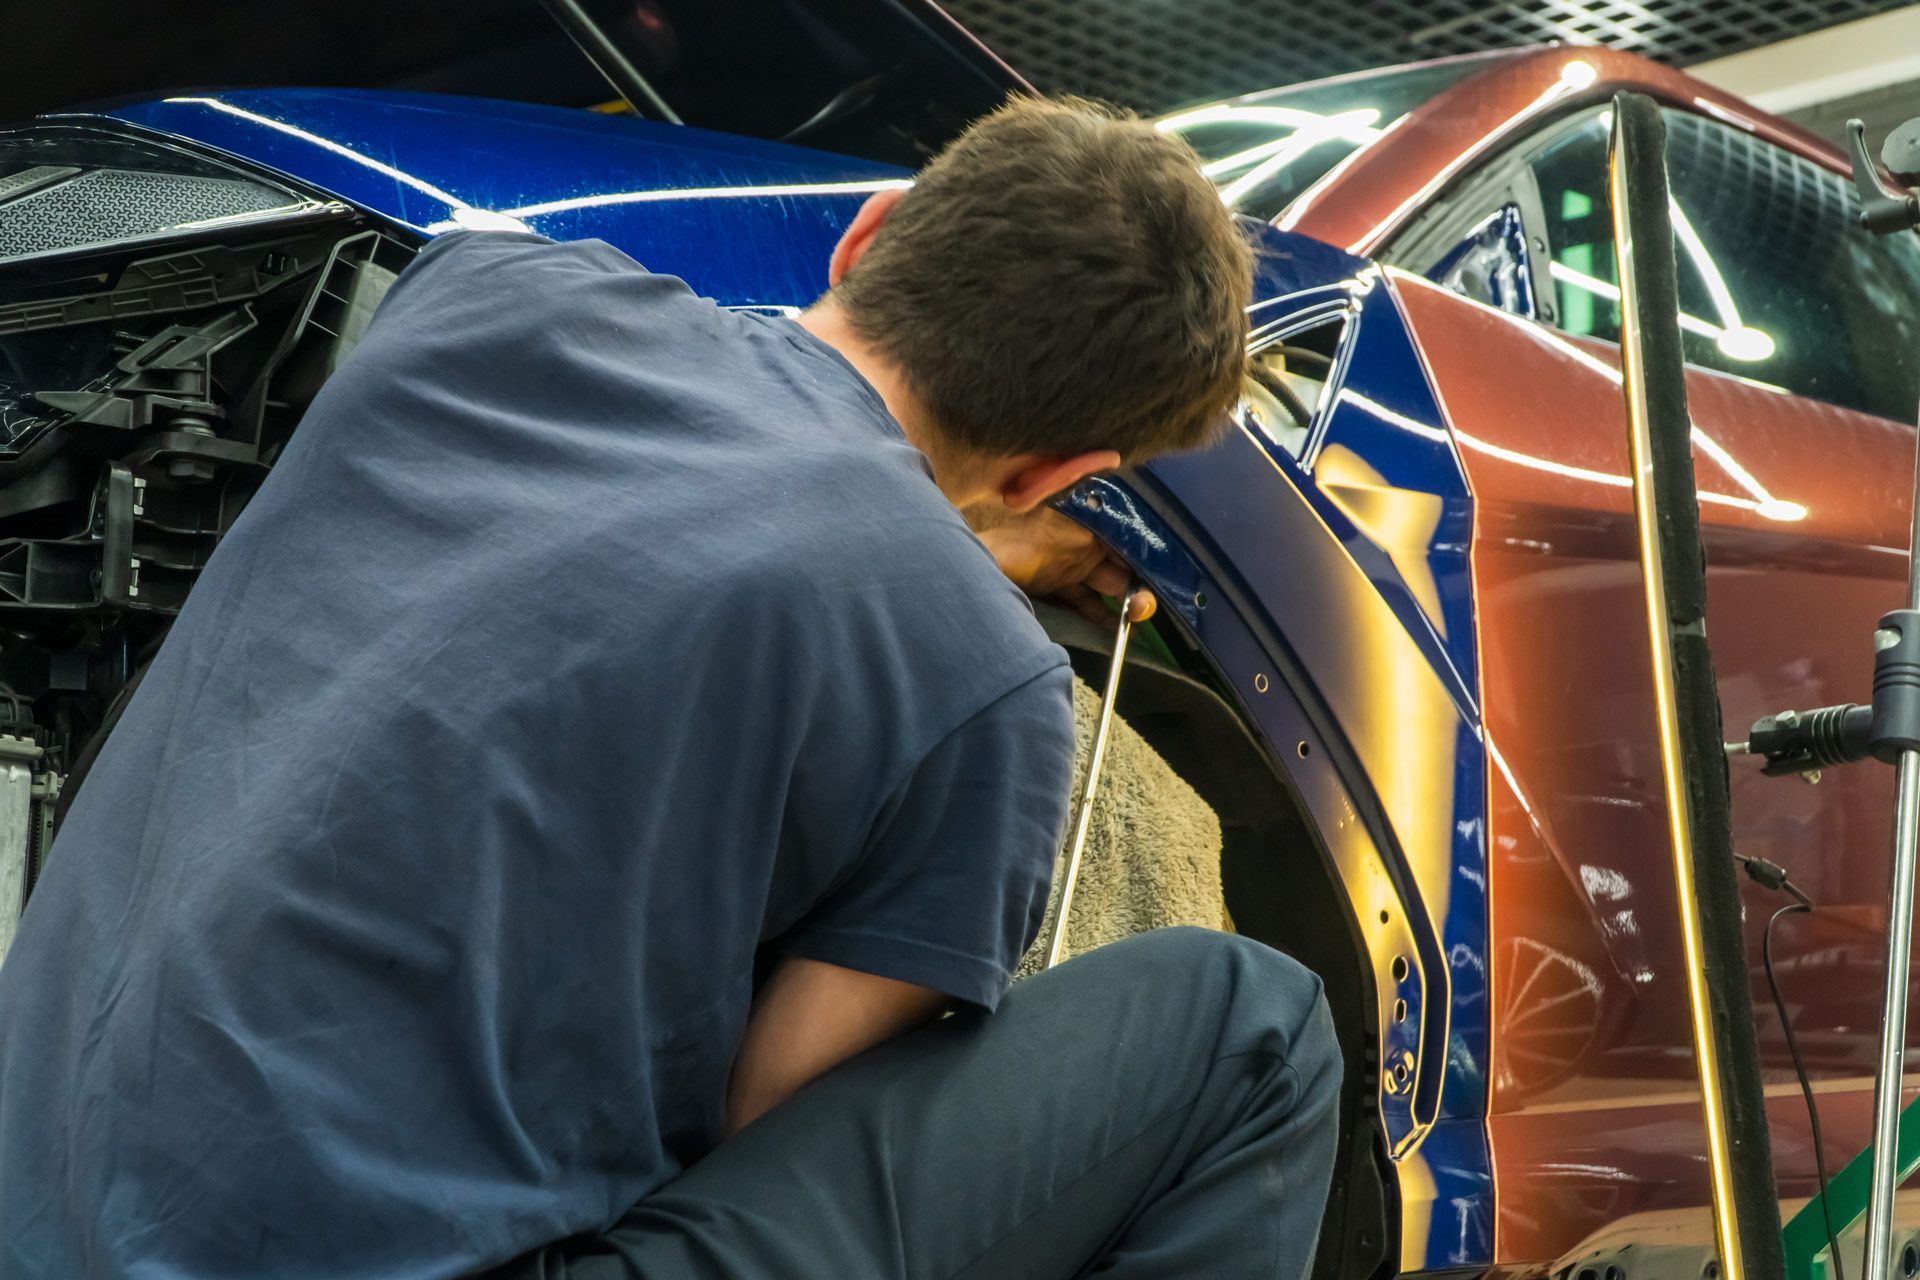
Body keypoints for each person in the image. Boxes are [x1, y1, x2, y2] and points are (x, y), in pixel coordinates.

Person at [0, 97, 1339, 1278]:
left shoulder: (477, 294)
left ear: (866, 236)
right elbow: (774, 1140)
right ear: (1060, 474)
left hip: (35, 1216)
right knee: (1252, 1028)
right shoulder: (984, 681)